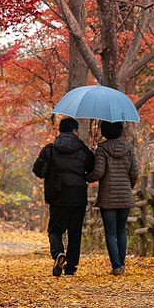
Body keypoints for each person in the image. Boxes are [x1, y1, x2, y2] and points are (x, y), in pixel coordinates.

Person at [32, 117, 95, 276]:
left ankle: (58, 253)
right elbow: (92, 169)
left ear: (60, 131)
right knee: (75, 233)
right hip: (78, 197)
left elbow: (39, 171)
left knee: (55, 230)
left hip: (57, 196)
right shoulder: (83, 151)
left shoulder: (50, 149)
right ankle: (70, 268)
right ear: (75, 131)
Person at [87, 120, 138, 275]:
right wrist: (128, 187)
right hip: (124, 196)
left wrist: (87, 177)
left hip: (108, 197)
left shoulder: (102, 149)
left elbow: (98, 173)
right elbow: (134, 173)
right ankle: (121, 265)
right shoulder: (128, 149)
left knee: (111, 232)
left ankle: (115, 266)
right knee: (121, 230)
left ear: (104, 131)